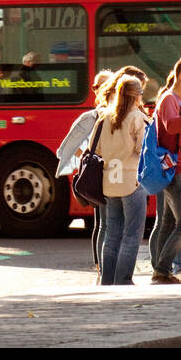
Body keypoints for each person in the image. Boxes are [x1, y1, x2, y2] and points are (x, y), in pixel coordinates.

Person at [58, 69, 115, 272]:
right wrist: (91, 155)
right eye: (96, 86)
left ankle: (102, 265)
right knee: (103, 223)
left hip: (113, 173)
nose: (98, 89)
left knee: (104, 222)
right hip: (101, 174)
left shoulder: (111, 113)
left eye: (103, 85)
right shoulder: (92, 116)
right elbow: (68, 147)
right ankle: (101, 266)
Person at [96, 74, 149, 285]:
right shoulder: (137, 117)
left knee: (111, 235)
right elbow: (142, 149)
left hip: (109, 183)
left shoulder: (104, 117)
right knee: (131, 235)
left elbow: (96, 149)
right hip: (131, 181)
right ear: (137, 96)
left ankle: (107, 281)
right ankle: (123, 280)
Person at [148, 55, 181, 284]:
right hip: (179, 170)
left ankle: (161, 270)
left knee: (169, 223)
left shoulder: (178, 100)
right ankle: (162, 270)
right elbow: (171, 125)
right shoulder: (170, 99)